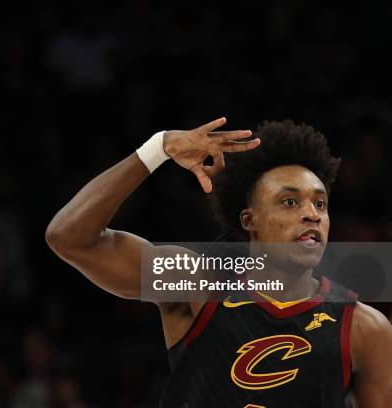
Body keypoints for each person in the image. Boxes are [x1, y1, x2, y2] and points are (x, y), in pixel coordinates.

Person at [45, 117, 392, 407]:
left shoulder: (364, 329)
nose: (311, 215)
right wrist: (157, 148)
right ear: (249, 220)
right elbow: (69, 236)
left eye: (320, 204)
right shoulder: (195, 285)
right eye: (289, 202)